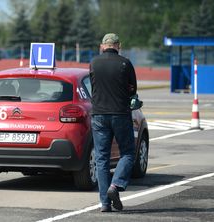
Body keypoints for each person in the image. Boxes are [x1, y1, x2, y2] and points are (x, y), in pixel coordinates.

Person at [89, 33, 137, 212]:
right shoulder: (125, 63)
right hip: (120, 113)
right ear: (118, 45)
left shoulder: (94, 63)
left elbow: (93, 87)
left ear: (102, 46)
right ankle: (115, 186)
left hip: (99, 114)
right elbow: (132, 90)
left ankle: (105, 203)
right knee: (128, 153)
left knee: (101, 158)